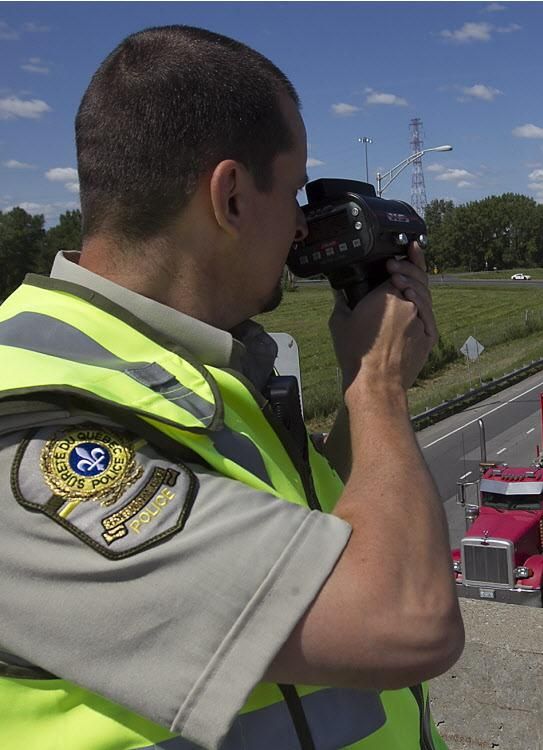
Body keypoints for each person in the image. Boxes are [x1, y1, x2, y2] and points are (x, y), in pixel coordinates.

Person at [0, 25, 464, 750]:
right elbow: (404, 618)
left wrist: (362, 379)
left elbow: (337, 540)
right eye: (296, 189)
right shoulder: (33, 431)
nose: (304, 225)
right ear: (233, 198)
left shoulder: (186, 372)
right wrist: (379, 389)